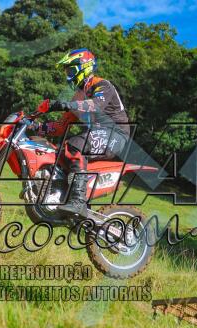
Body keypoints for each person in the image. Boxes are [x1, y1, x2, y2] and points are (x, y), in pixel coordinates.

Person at [32, 48, 130, 217]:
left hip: (116, 134)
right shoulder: (78, 96)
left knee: (76, 145)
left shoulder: (102, 85)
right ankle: (63, 196)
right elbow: (61, 126)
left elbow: (95, 105)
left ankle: (78, 202)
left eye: (70, 71)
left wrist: (64, 104)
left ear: (84, 67)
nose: (68, 76)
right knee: (59, 152)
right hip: (99, 134)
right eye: (66, 72)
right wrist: (36, 127)